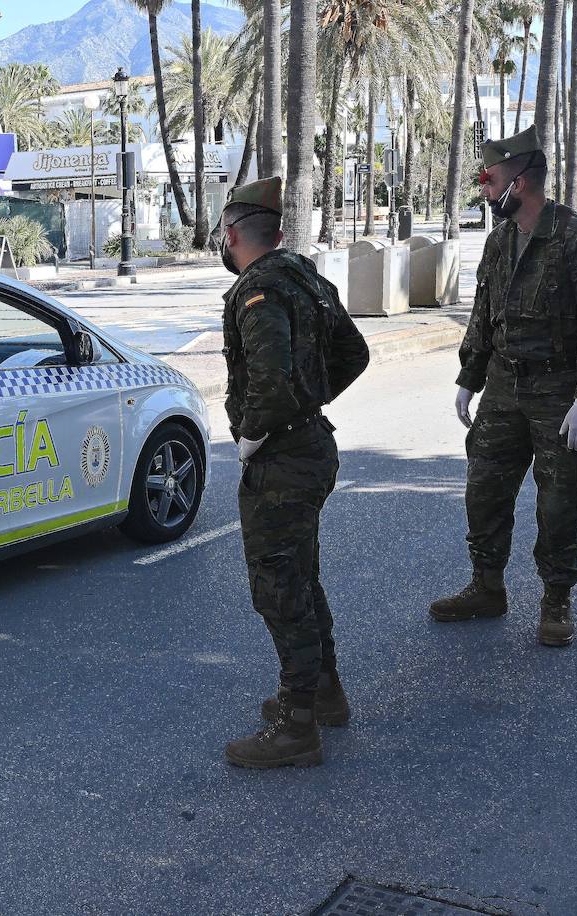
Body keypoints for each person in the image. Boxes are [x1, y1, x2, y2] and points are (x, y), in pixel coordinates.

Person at [429, 126, 577, 647]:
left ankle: (556, 599)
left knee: (558, 500)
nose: (484, 189)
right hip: (503, 388)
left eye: (489, 179)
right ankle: (486, 586)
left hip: (558, 392)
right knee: (483, 491)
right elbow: (484, 314)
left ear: (521, 180)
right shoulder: (499, 239)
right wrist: (470, 378)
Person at [218, 177, 371, 770]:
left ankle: (298, 725)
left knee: (280, 588)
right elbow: (354, 353)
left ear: (232, 235)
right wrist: (312, 399)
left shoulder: (256, 292)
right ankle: (322, 693)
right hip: (311, 443)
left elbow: (272, 379)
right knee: (300, 576)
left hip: (283, 456)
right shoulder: (304, 274)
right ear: (277, 232)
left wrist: (256, 432)